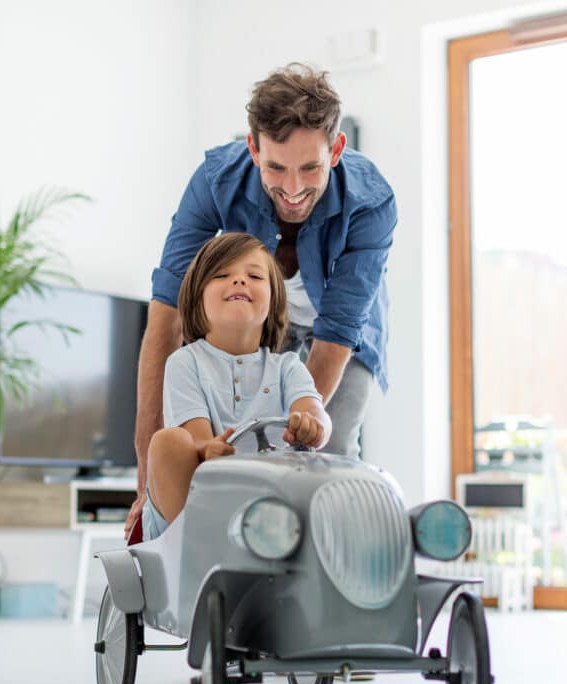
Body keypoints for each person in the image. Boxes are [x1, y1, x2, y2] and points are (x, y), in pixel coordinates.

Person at [126, 62, 396, 539]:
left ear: (336, 150)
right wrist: (146, 471)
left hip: (341, 334)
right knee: (200, 447)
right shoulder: (215, 180)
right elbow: (165, 315)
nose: (293, 190)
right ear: (253, 148)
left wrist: (288, 434)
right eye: (275, 167)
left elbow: (337, 334)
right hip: (254, 319)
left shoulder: (372, 201)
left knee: (330, 458)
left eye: (310, 167)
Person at [139, 232, 331, 539]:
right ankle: (195, 552)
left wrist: (313, 425)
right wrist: (208, 448)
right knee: (169, 441)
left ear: (274, 301)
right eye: (222, 274)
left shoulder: (288, 367)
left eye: (254, 275)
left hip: (269, 510)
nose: (240, 281)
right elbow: (196, 437)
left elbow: (313, 409)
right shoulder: (185, 362)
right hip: (197, 503)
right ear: (197, 297)